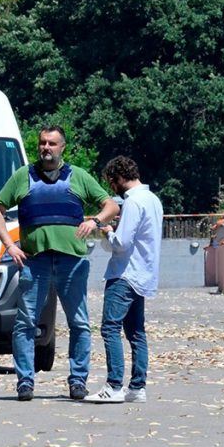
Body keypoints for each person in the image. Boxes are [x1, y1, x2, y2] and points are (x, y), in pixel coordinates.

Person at [0, 125, 119, 401]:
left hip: (71, 262)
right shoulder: (23, 176)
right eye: (42, 143)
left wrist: (95, 221)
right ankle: (25, 382)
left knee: (79, 323)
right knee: (25, 323)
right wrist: (9, 245)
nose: (46, 148)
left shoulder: (78, 176)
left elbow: (111, 206)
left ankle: (78, 381)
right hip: (34, 262)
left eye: (52, 143)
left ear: (62, 147)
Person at [85, 156, 162, 403]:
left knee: (110, 327)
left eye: (111, 183)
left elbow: (122, 243)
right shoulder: (153, 199)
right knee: (136, 332)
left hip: (125, 274)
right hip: (144, 274)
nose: (112, 188)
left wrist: (108, 232)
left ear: (116, 179)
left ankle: (114, 385)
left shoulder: (133, 202)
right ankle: (137, 388)